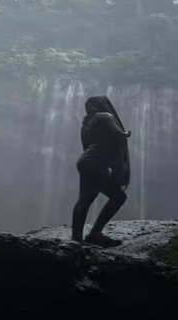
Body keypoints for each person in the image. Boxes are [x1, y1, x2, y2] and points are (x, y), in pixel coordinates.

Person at [71, 96, 131, 247]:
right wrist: (126, 133)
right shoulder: (105, 116)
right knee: (119, 197)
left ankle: (76, 237)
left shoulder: (85, 125)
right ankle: (95, 233)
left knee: (85, 199)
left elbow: (86, 145)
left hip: (85, 162)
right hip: (96, 163)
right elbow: (117, 134)